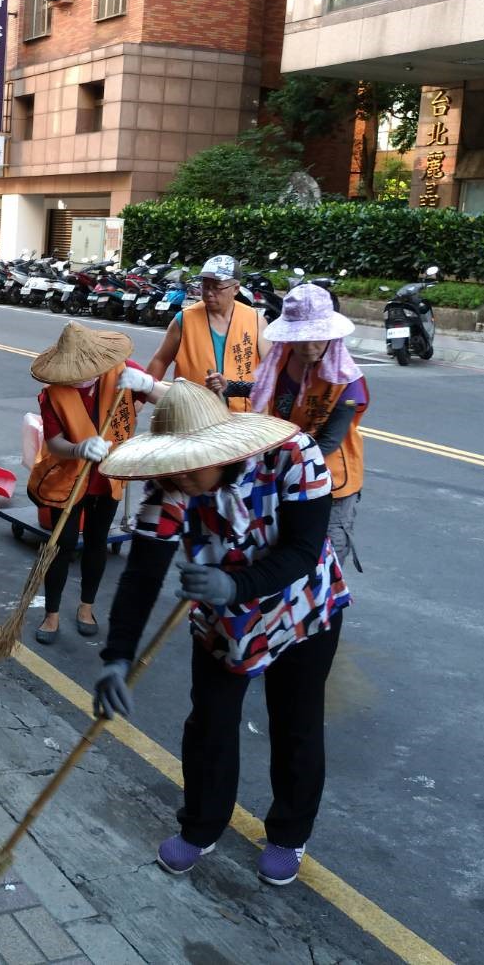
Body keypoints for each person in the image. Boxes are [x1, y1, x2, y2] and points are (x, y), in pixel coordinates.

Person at [93, 380, 350, 888]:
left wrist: (235, 583)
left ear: (221, 449)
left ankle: (288, 834)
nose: (183, 476)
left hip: (302, 609)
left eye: (193, 463)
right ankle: (203, 825)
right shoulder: (169, 486)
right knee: (210, 721)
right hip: (224, 621)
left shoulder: (294, 456)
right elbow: (142, 575)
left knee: (295, 724)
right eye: (174, 463)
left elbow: (303, 549)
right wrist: (118, 656)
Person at [209, 284, 367, 569]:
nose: (308, 347)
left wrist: (271, 460)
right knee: (284, 548)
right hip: (286, 471)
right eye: (300, 338)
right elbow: (268, 388)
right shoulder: (284, 361)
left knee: (323, 557)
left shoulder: (347, 380)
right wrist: (230, 386)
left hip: (330, 479)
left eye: (316, 337)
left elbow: (328, 442)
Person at [25, 325, 166, 643]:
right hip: (68, 479)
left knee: (97, 541)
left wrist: (146, 384)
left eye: (85, 371)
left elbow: (168, 399)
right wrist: (77, 449)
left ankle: (86, 607)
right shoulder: (53, 393)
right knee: (61, 545)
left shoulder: (124, 371)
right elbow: (54, 441)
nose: (79, 378)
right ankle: (52, 614)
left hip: (108, 479)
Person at [146, 255, 269, 411]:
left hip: (241, 421)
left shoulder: (255, 320)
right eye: (205, 285)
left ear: (236, 289)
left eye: (217, 286)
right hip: (193, 415)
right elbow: (160, 360)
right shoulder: (184, 320)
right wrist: (142, 395)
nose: (209, 293)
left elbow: (269, 372)